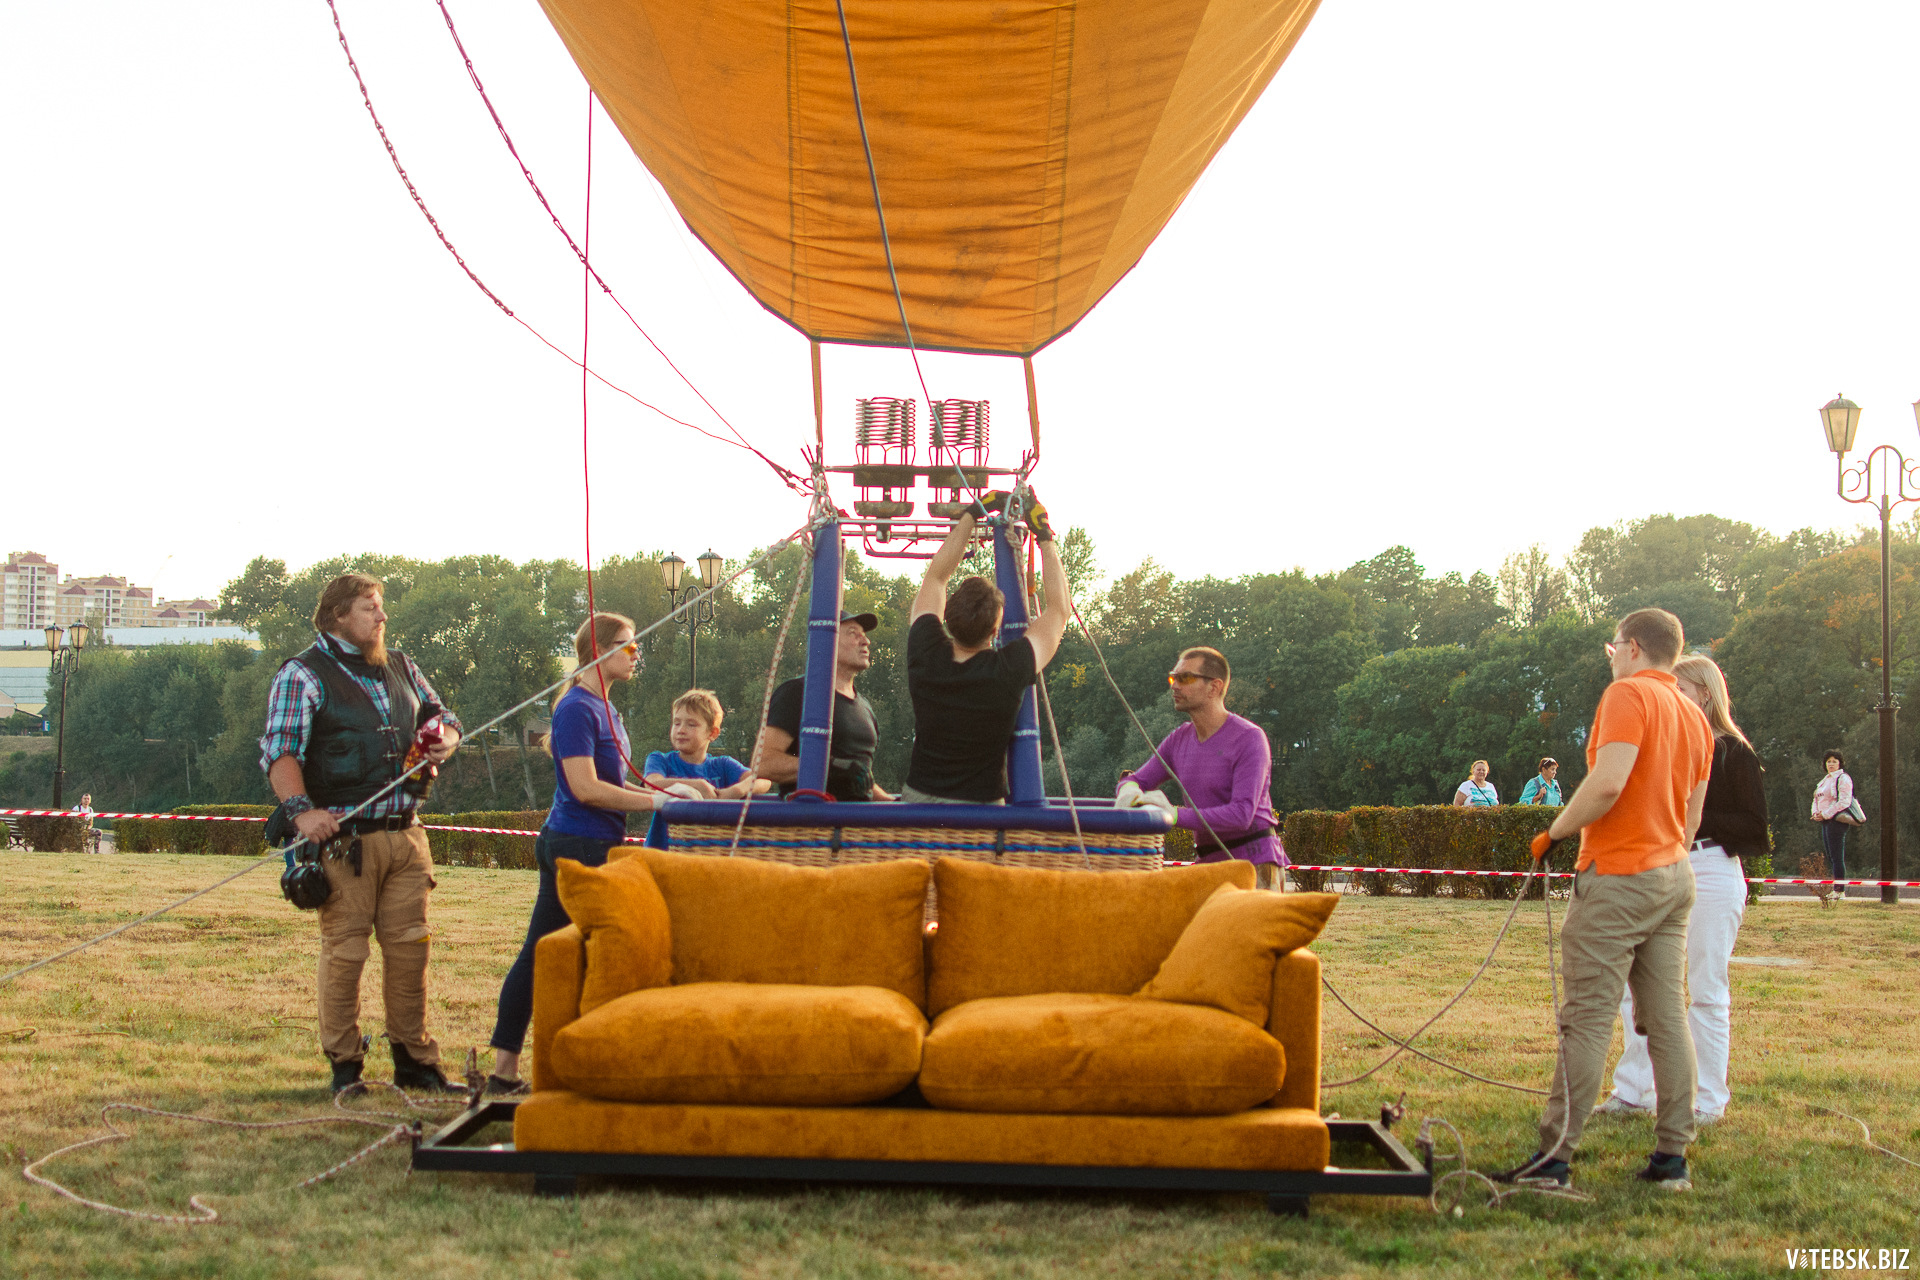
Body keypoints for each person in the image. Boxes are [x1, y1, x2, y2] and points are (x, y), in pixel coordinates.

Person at [1495, 608, 1713, 1192]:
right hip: (1674, 876)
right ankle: (1673, 1159)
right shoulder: (1694, 714)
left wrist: (1555, 832)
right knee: (1668, 1018)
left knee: (1587, 1017)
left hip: (1618, 876)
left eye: (1612, 646)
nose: (1610, 654)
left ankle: (1554, 1162)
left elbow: (1609, 781)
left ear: (1634, 647)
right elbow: (1691, 816)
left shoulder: (1627, 695)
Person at [259, 572, 462, 1095]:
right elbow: (280, 753)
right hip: (343, 845)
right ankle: (346, 1069)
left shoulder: (402, 666)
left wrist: (448, 740)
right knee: (346, 953)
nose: (382, 616)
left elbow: (444, 717)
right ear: (337, 617)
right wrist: (303, 814)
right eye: (370, 607)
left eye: (381, 606)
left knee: (411, 948)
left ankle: (415, 1062)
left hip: (407, 836)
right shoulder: (302, 675)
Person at [487, 613, 666, 1095]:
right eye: (629, 646)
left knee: (555, 951)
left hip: (593, 842)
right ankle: (509, 1069)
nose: (636, 654)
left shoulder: (606, 709)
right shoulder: (576, 709)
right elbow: (586, 789)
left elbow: (614, 782)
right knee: (547, 952)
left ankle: (518, 1070)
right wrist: (655, 803)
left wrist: (676, 788)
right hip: (575, 844)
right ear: (602, 650)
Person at [1598, 654, 1766, 1125]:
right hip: (1658, 866)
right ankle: (1635, 1091)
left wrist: (1684, 815)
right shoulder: (1663, 747)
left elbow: (1755, 829)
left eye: (1683, 690)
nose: (1672, 698)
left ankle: (1708, 1101)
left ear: (1706, 694)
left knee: (1706, 989)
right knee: (1637, 985)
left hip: (1711, 869)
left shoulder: (1735, 751)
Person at [903, 494, 1069, 804]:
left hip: (918, 801)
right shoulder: (1006, 670)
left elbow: (937, 576)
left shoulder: (925, 651)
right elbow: (1058, 610)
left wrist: (971, 514)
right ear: (995, 631)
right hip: (980, 812)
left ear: (947, 617)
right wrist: (1044, 536)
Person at [1118, 647, 1287, 891]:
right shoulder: (1178, 740)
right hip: (1207, 867)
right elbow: (1136, 780)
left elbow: (1242, 814)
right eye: (1172, 677)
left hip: (1254, 867)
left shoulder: (1250, 738)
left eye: (1185, 678)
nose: (1174, 685)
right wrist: (1128, 792)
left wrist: (1172, 814)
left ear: (1214, 687)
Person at [758, 611, 890, 802]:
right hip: (816, 825)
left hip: (858, 826)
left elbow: (860, 779)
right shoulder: (798, 692)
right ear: (828, 641)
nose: (866, 641)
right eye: (853, 633)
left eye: (865, 635)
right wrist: (832, 766)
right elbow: (763, 763)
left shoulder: (864, 707)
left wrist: (891, 803)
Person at [641, 688, 769, 844]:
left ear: (713, 733)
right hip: (662, 852)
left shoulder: (723, 765)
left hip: (706, 852)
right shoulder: (660, 760)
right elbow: (652, 784)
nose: (681, 730)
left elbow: (763, 779)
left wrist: (735, 791)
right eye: (676, 723)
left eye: (691, 725)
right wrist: (698, 786)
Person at [1810, 750, 1854, 894]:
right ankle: (1836, 888)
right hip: (1825, 821)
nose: (1831, 764)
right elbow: (1816, 798)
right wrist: (1816, 813)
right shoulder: (1824, 780)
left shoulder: (1843, 778)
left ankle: (1840, 891)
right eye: (1829, 761)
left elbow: (1844, 802)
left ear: (1840, 763)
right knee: (1830, 856)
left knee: (1837, 857)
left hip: (1836, 821)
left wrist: (1826, 814)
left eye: (1834, 761)